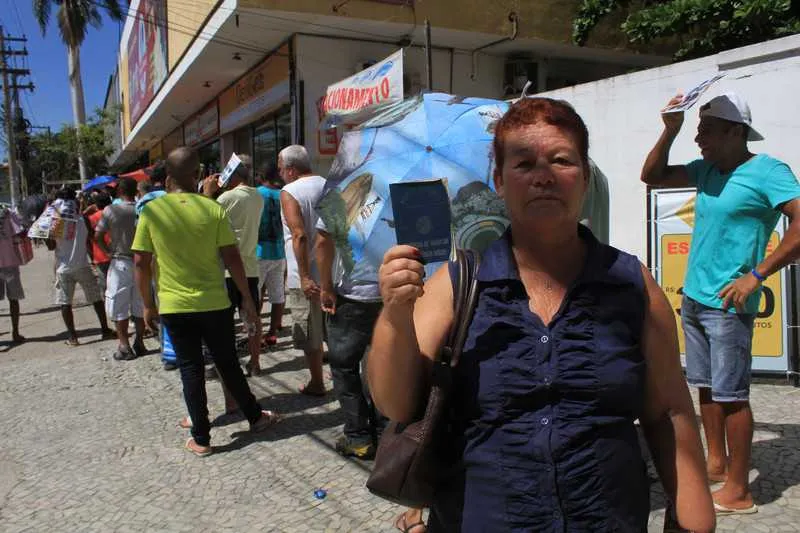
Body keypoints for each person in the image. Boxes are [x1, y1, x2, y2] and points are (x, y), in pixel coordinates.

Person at [369, 98, 715, 532]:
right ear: (498, 180)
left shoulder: (630, 283)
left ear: (585, 177)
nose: (544, 177)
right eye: (524, 163)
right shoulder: (455, 286)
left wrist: (695, 517)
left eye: (561, 160)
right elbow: (396, 403)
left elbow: (669, 412)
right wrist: (395, 315)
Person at [641, 92, 800, 514]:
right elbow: (651, 176)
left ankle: (740, 491)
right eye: (696, 130)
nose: (698, 138)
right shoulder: (708, 169)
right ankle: (716, 464)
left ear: (736, 131)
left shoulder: (768, 172)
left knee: (733, 396)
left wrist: (757, 274)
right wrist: (669, 128)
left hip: (730, 304)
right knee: (707, 388)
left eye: (705, 130)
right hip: (695, 297)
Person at [132, 147, 279, 457]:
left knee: (191, 369)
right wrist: (249, 302)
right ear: (198, 175)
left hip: (174, 305)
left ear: (168, 178)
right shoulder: (213, 210)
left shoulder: (152, 211)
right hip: (214, 302)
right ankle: (254, 417)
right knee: (227, 363)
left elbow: (140, 263)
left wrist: (147, 304)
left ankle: (201, 438)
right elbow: (232, 258)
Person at [317, 219, 383, 458]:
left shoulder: (343, 191)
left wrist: (325, 286)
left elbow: (323, 241)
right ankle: (387, 434)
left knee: (345, 368)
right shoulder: (402, 187)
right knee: (385, 366)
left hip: (354, 296)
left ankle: (359, 438)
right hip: (392, 292)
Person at [203, 154, 264, 376]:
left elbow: (205, 219)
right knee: (252, 318)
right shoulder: (257, 195)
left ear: (235, 175)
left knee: (224, 323)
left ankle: (226, 367)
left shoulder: (226, 199)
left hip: (228, 270)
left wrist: (208, 194)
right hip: (250, 267)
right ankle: (255, 362)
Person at [279, 145, 327, 396]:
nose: (279, 173)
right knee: (333, 331)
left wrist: (305, 276)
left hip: (306, 277)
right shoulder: (329, 185)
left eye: (280, 168)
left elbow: (299, 235)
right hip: (331, 273)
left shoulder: (290, 192)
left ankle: (317, 382)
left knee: (311, 335)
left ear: (290, 169)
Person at [46, 188, 114, 346]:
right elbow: (91, 239)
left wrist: (47, 235)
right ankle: (105, 330)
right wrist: (96, 257)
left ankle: (72, 337)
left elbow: (50, 247)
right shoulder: (82, 219)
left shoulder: (56, 222)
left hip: (64, 268)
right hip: (83, 265)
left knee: (65, 303)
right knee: (96, 299)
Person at [95, 177, 147, 361]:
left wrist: (107, 251)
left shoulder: (111, 210)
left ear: (119, 191)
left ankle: (124, 345)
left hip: (120, 262)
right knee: (140, 304)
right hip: (142, 263)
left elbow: (98, 235)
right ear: (136, 191)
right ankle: (140, 342)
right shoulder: (143, 208)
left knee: (119, 305)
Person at [256, 164, 286, 347]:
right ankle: (272, 333)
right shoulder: (284, 193)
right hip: (279, 251)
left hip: (259, 251)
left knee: (256, 293)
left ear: (261, 176)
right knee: (278, 294)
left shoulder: (256, 193)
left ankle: (255, 331)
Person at [0, 205, 27, 343]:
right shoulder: (8, 212)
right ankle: (15, 333)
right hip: (10, 261)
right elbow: (19, 234)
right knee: (13, 300)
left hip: (9, 262)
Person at [86, 192, 112, 282]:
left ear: (96, 204)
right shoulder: (115, 214)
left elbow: (88, 238)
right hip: (116, 253)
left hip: (99, 256)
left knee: (104, 284)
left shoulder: (91, 218)